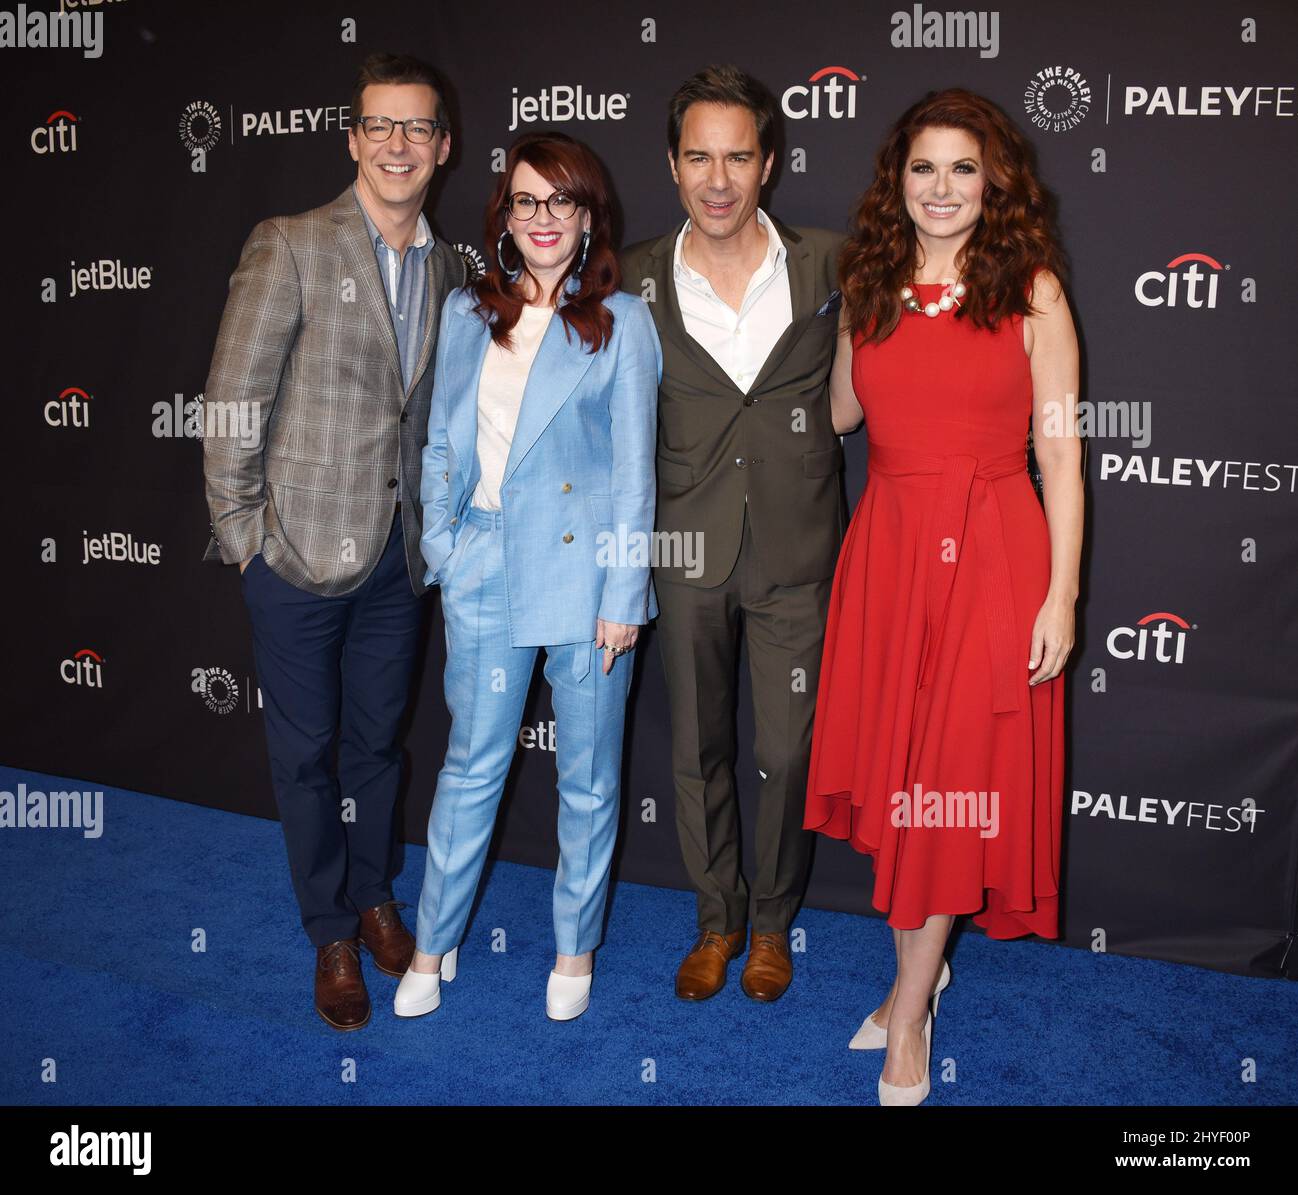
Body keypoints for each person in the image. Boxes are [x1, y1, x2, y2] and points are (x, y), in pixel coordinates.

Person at [805, 87, 1083, 1104]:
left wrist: (1060, 597)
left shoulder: (1033, 292)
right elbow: (842, 411)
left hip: (994, 557)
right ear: (898, 180)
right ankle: (918, 971)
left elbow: (1061, 452)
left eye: (963, 168)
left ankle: (909, 1012)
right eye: (923, 168)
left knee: (946, 788)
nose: (942, 188)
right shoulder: (868, 278)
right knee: (898, 779)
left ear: (995, 180)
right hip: (888, 552)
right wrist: (853, 319)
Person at [201, 53, 467, 1031]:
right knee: (305, 753)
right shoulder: (293, 243)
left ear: (442, 147)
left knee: (375, 749)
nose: (398, 145)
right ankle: (331, 931)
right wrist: (243, 540)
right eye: (380, 126)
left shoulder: (448, 269)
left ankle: (374, 891)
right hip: (298, 559)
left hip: (399, 565)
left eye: (417, 129)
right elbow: (233, 399)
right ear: (354, 139)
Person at [394, 131, 661, 1023]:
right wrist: (444, 548)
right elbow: (439, 440)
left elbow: (633, 471)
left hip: (587, 584)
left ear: (590, 217)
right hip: (486, 566)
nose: (543, 218)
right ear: (504, 216)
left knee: (588, 776)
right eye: (526, 201)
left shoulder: (625, 322)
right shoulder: (471, 314)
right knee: (470, 767)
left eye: (563, 201)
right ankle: (433, 942)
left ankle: (574, 948)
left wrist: (625, 594)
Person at [621, 65, 845, 1004]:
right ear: (673, 166)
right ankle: (715, 921)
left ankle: (771, 923)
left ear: (769, 163)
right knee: (699, 748)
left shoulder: (833, 262)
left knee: (789, 753)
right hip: (685, 551)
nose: (718, 179)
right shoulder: (627, 278)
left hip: (799, 550)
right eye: (699, 156)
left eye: (738, 156)